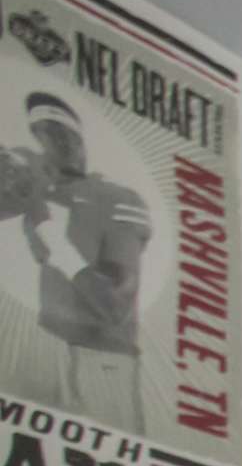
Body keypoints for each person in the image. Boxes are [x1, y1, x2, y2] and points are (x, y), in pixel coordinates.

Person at [8, 89, 150, 425]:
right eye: (39, 135)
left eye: (55, 134)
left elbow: (116, 303)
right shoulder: (42, 189)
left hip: (101, 355)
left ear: (75, 141)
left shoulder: (116, 197)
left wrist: (59, 246)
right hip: (45, 344)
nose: (45, 145)